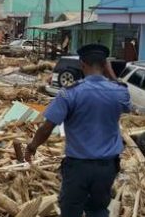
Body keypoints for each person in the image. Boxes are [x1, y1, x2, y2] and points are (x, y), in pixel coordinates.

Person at [24, 44, 131, 217]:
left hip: (78, 168)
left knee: (70, 210)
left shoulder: (69, 94)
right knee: (98, 210)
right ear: (105, 64)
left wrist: (32, 147)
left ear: (82, 64)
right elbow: (126, 104)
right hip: (107, 167)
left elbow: (47, 128)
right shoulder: (118, 92)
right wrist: (111, 75)